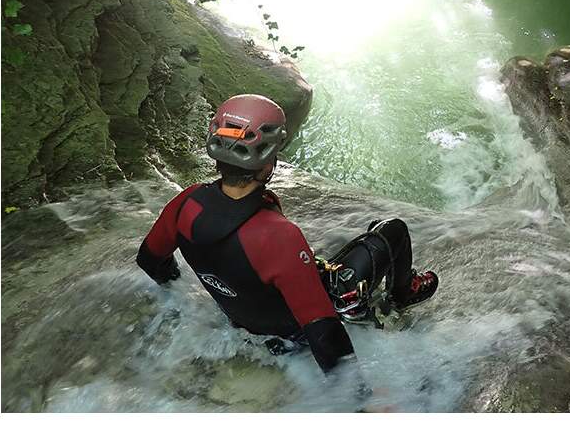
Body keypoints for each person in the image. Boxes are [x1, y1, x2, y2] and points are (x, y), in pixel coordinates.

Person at [135, 94, 438, 374]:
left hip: (248, 326)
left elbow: (150, 260)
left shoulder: (185, 203)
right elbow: (324, 332)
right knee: (390, 230)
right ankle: (403, 293)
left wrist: (189, 294)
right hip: (295, 338)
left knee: (358, 240)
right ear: (267, 163)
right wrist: (358, 399)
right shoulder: (277, 236)